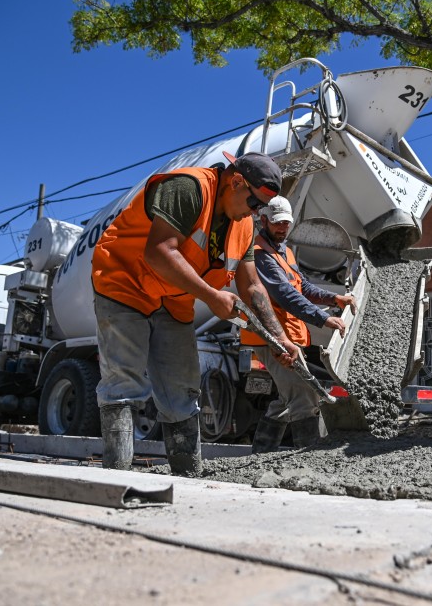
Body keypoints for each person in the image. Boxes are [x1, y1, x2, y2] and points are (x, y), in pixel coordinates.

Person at [91, 151, 300, 474]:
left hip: (172, 298)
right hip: (125, 281)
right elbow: (159, 252)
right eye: (254, 203)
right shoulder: (188, 188)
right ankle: (116, 476)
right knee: (124, 382)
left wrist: (279, 336)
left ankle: (187, 474)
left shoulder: (243, 224)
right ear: (236, 181)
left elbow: (252, 286)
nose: (256, 214)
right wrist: (212, 296)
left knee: (182, 389)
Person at [241, 195, 357, 453]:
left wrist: (333, 297)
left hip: (290, 336)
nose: (282, 228)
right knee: (305, 395)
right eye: (277, 223)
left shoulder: (285, 251)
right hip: (270, 337)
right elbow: (286, 294)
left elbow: (301, 285)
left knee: (287, 399)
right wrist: (323, 318)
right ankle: (310, 459)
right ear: (264, 221)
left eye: (286, 223)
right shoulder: (260, 255)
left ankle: (262, 451)